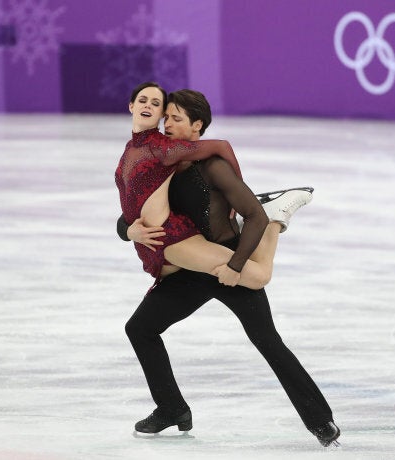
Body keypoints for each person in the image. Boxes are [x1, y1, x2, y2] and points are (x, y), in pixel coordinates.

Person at [119, 89, 341, 447]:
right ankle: (171, 408)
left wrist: (236, 266)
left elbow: (251, 215)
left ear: (197, 126)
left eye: (177, 119)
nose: (169, 124)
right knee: (140, 328)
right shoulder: (167, 164)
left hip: (226, 261)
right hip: (190, 268)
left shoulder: (213, 168)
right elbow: (133, 210)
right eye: (167, 117)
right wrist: (127, 230)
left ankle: (321, 421)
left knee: (267, 341)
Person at [115, 81, 277, 290]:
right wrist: (129, 232)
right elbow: (131, 205)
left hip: (173, 239)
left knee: (259, 277)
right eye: (143, 101)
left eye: (155, 104)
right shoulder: (132, 148)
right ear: (131, 106)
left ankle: (274, 222)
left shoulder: (164, 150)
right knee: (140, 325)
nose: (148, 106)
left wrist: (239, 188)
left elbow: (221, 146)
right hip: (151, 244)